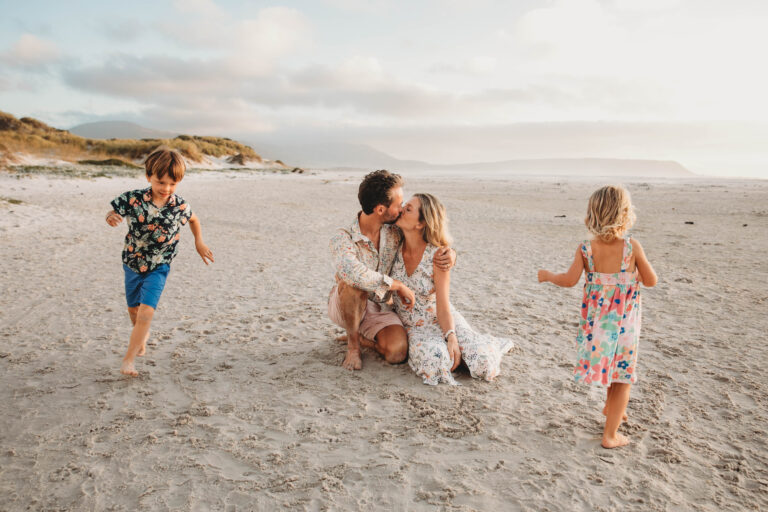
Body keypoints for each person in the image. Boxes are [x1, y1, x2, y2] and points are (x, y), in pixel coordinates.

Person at [538, 185, 657, 448]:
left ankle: (611, 408)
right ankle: (610, 436)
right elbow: (651, 281)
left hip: (597, 324)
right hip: (624, 323)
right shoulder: (631, 247)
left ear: (593, 214)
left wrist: (548, 276)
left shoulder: (586, 249)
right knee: (623, 376)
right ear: (625, 213)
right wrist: (634, 275)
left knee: (611, 366)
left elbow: (569, 280)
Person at [328, 170, 455, 371]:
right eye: (399, 204)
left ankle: (363, 339)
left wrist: (450, 254)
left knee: (397, 353)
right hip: (346, 304)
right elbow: (351, 273)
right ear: (380, 209)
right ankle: (353, 347)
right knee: (353, 284)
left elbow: (425, 239)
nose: (402, 208)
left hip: (380, 306)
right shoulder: (343, 237)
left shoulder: (395, 231)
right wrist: (396, 285)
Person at [106, 148, 214, 377]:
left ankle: (128, 361)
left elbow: (194, 220)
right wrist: (111, 217)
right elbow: (113, 212)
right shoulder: (132, 198)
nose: (166, 188)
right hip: (132, 262)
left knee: (146, 313)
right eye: (161, 182)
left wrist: (199, 242)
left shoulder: (180, 206)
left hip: (159, 265)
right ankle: (141, 336)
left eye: (173, 184)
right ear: (149, 176)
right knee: (134, 311)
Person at [391, 193, 514, 385]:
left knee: (483, 363)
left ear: (421, 223)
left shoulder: (438, 255)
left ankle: (487, 345)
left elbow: (443, 304)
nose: (401, 210)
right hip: (414, 327)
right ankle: (458, 355)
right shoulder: (391, 244)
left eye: (408, 209)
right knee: (435, 361)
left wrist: (451, 336)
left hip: (442, 318)